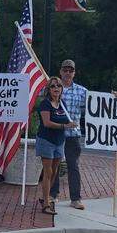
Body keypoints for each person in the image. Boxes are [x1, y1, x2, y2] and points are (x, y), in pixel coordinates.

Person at [36, 76, 76, 217]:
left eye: (58, 86)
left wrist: (71, 124)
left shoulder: (62, 104)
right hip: (46, 140)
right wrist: (65, 125)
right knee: (48, 171)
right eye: (53, 86)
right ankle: (46, 204)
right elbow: (47, 123)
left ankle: (45, 197)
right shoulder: (45, 104)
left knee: (54, 171)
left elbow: (66, 120)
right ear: (49, 89)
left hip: (60, 141)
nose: (56, 88)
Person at [50, 59, 86, 210]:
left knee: (73, 166)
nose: (67, 73)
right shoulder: (53, 88)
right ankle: (53, 195)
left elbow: (96, 105)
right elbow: (39, 98)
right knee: (54, 165)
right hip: (56, 131)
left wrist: (114, 98)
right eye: (65, 70)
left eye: (70, 70)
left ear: (74, 73)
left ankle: (75, 199)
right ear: (60, 71)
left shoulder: (82, 91)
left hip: (73, 134)